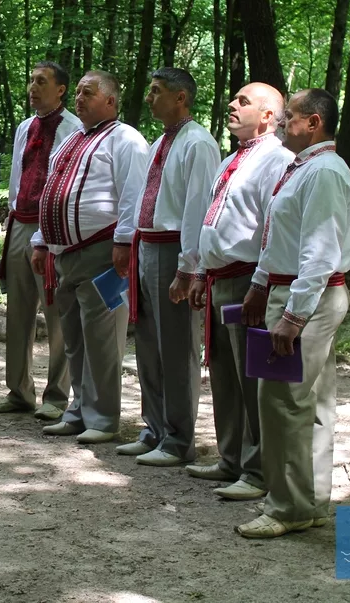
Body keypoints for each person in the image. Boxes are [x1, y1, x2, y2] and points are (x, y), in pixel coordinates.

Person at [235, 89, 350, 539]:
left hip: (306, 298)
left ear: (314, 123)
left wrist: (293, 316)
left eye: (291, 117)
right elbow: (281, 236)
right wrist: (257, 284)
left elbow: (320, 253)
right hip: (289, 292)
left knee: (283, 401)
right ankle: (311, 501)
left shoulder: (323, 172)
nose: (283, 123)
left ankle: (288, 507)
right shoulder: (302, 167)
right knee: (312, 401)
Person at [185, 83, 293, 501]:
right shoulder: (230, 158)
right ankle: (230, 457)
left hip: (247, 280)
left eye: (244, 101)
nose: (231, 104)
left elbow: (271, 228)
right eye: (233, 99)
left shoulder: (278, 161)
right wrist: (198, 271)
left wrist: (261, 285)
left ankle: (257, 468)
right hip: (216, 278)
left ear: (268, 115)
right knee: (224, 374)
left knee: (253, 379)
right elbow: (213, 220)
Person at [27, 71, 148, 443]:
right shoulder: (72, 139)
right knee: (75, 338)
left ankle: (103, 418)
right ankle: (79, 409)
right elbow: (52, 191)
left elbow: (133, 194)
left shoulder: (126, 139)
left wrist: (125, 242)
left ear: (110, 101)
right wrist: (41, 241)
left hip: (102, 251)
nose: (78, 98)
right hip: (66, 254)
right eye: (77, 92)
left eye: (87, 93)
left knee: (101, 337)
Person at [117, 67, 219, 466]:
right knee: (148, 344)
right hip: (147, 247)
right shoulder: (160, 141)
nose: (149, 97)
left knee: (176, 347)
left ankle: (179, 438)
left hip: (174, 249)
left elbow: (197, 209)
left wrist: (188, 266)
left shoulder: (199, 144)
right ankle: (154, 428)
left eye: (157, 91)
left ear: (181, 97)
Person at [0, 62, 79, 420]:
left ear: (61, 90)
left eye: (42, 82)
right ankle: (18, 391)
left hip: (52, 228)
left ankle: (56, 396)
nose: (32, 88)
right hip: (21, 223)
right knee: (18, 312)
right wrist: (11, 219)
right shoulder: (26, 126)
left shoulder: (73, 129)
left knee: (56, 314)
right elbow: (17, 177)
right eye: (31, 81)